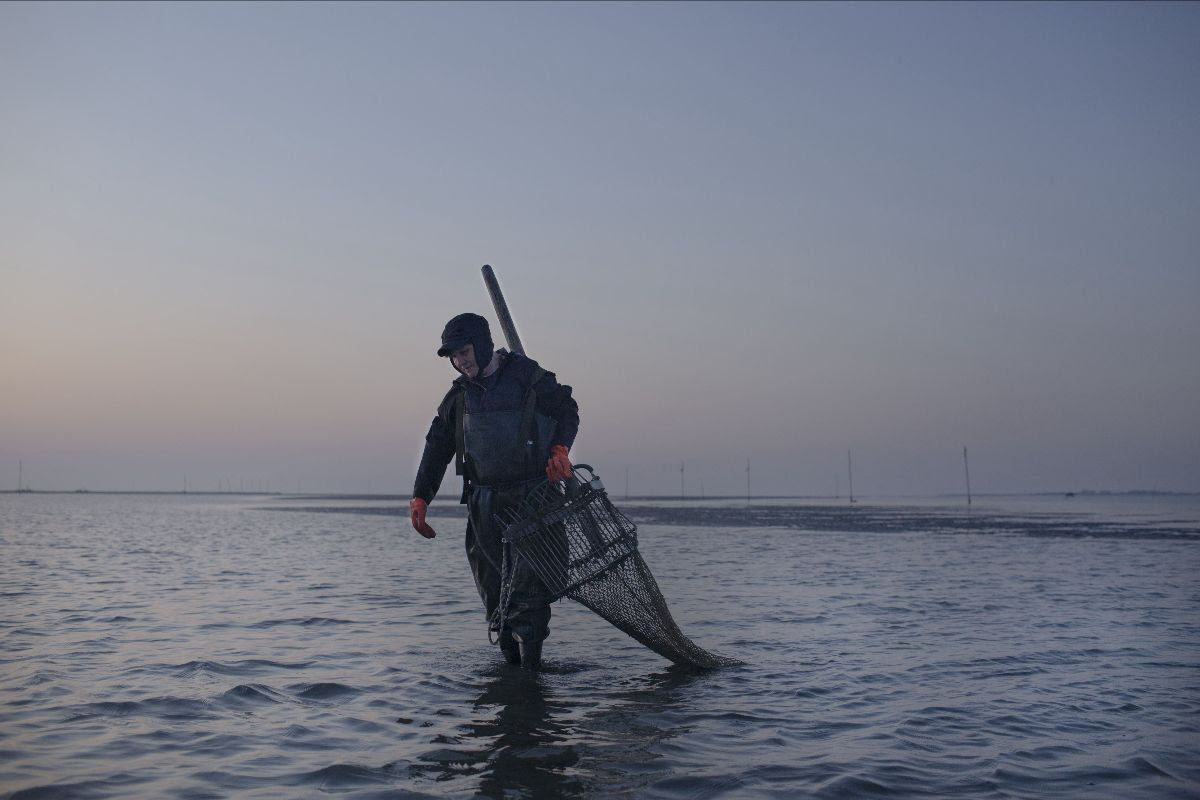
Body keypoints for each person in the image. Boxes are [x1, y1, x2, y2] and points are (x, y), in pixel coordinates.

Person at [409, 312, 580, 671]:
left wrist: (560, 448)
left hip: (534, 500)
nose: (460, 362)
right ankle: (510, 672)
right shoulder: (459, 397)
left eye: (464, 351)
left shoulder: (527, 376)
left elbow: (567, 408)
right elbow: (437, 444)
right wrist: (421, 496)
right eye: (453, 356)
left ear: (482, 344)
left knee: (530, 593)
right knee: (495, 595)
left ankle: (530, 681)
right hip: (484, 503)